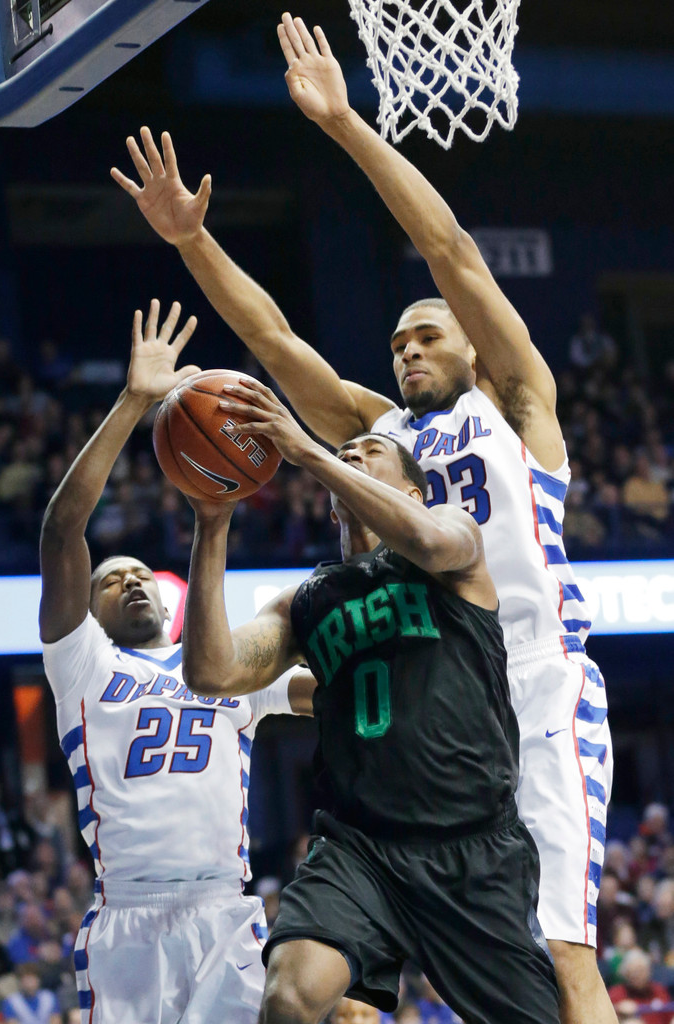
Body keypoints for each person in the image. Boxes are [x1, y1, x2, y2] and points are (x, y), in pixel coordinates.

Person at [110, 19, 613, 1022]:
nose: (406, 349)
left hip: (533, 684)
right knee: (336, 991)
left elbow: (449, 249)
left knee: (559, 957)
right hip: (430, 695)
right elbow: (271, 340)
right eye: (395, 343)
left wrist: (344, 123)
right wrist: (190, 238)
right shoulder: (379, 433)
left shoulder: (515, 408)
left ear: (472, 348)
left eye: (425, 334)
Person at [179, 375, 559, 1024]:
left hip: (472, 845)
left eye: (370, 451)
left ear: (412, 493)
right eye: (345, 453)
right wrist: (211, 525)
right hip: (359, 848)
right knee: (289, 997)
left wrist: (308, 451)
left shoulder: (453, 541)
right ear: (333, 508)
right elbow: (211, 672)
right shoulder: (306, 602)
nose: (352, 452)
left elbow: (431, 540)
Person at [38, 300, 313, 1024]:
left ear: (169, 601)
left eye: (140, 576)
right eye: (110, 580)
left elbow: (336, 693)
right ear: (88, 611)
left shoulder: (234, 669)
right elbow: (63, 531)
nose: (130, 581)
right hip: (127, 915)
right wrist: (135, 401)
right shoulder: (82, 667)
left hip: (224, 906)